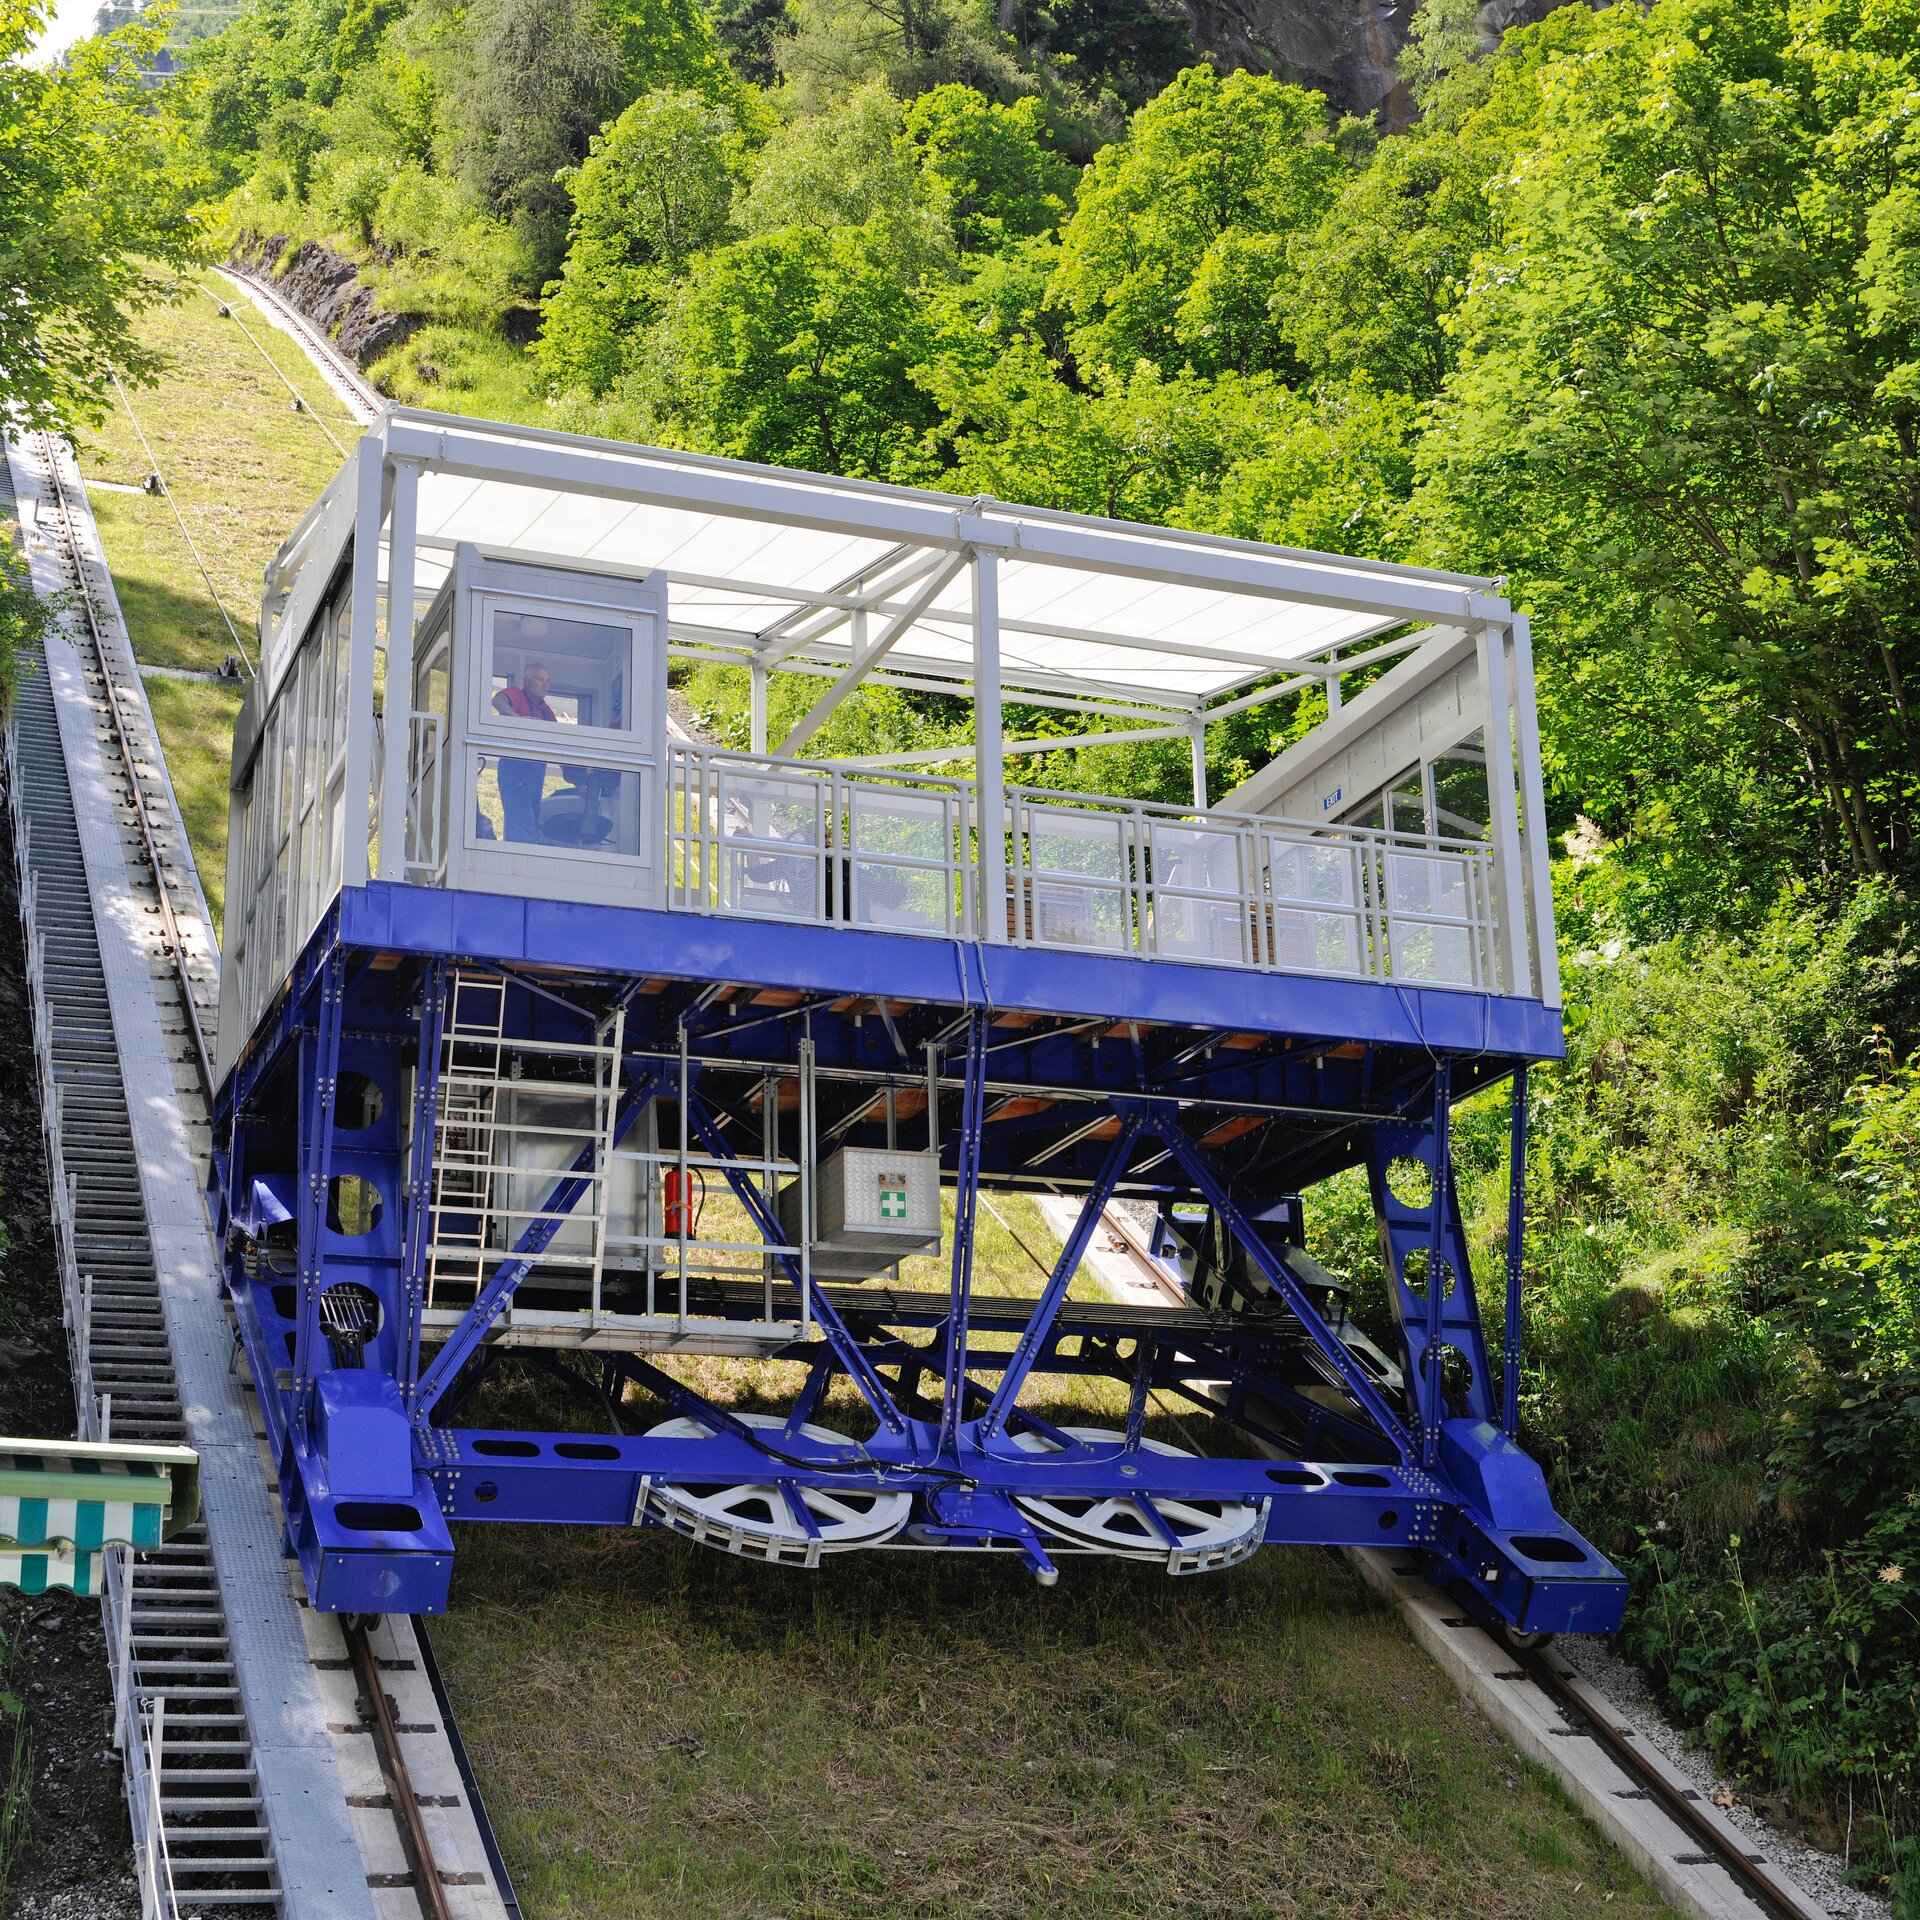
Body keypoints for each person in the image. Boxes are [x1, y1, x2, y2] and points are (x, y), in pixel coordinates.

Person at [492, 662, 556, 843]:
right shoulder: (517, 694)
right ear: (527, 680)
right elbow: (497, 701)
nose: (545, 684)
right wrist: (519, 721)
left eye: (548, 681)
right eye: (540, 679)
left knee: (533, 815)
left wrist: (578, 781)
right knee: (520, 816)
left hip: (536, 771)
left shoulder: (546, 711)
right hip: (515, 767)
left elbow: (560, 741)